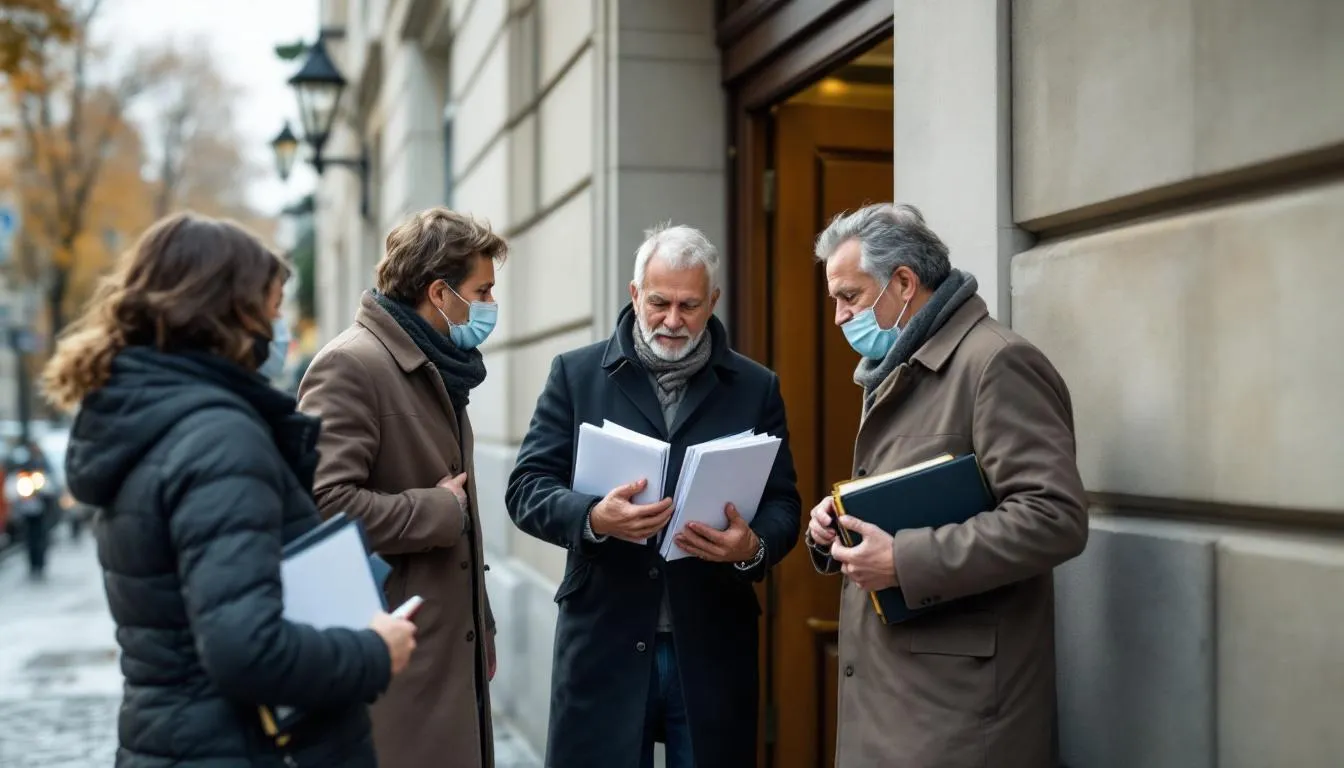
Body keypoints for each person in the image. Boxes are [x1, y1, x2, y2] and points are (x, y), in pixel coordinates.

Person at [43, 212, 417, 768]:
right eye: (273, 306)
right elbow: (246, 648)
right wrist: (371, 651)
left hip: (174, 740)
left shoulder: (149, 420)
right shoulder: (219, 438)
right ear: (229, 311)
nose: (279, 327)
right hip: (242, 747)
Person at [804, 203, 1089, 767]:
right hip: (903, 702)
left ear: (904, 283)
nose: (838, 317)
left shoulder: (996, 363)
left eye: (850, 296)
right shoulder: (901, 366)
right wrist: (834, 523)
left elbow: (1054, 517)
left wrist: (904, 560)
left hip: (958, 717)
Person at [506, 224, 802, 768]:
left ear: (713, 301)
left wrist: (752, 547)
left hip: (712, 647)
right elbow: (525, 489)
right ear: (634, 293)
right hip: (604, 640)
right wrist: (594, 516)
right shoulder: (575, 375)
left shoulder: (756, 386)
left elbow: (785, 505)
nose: (672, 320)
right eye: (660, 302)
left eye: (689, 306)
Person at [298, 207, 505, 768]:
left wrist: (479, 619)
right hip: (392, 653)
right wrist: (437, 511)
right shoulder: (351, 365)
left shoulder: (439, 364)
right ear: (440, 293)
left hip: (445, 647)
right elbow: (320, 506)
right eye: (481, 291)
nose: (489, 305)